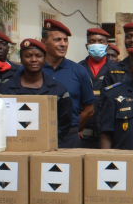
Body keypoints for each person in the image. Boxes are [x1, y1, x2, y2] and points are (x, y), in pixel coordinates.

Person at [0, 38, 77, 147]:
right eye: (28, 56)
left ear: (44, 58)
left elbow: (65, 122)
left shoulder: (58, 89)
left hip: (48, 147)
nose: (33, 59)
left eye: (38, 56)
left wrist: (48, 140)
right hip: (14, 147)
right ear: (21, 59)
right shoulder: (6, 89)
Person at [39, 18, 95, 147]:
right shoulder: (33, 70)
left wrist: (72, 129)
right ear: (44, 42)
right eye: (57, 40)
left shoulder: (79, 71)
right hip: (38, 135)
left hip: (69, 138)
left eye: (65, 40)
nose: (63, 44)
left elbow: (89, 109)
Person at [80, 27, 115, 147]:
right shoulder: (77, 69)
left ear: (108, 46)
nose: (96, 45)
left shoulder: (117, 71)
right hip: (83, 136)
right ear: (87, 46)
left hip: (110, 137)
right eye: (92, 41)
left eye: (100, 42)